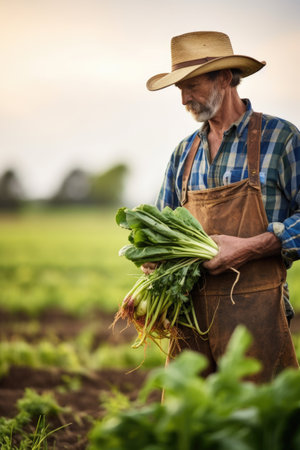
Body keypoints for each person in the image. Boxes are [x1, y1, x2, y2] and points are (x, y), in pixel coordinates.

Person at [146, 31, 300, 382]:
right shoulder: (183, 154)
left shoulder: (281, 139)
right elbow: (161, 230)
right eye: (178, 89)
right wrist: (153, 261)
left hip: (257, 318)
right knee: (189, 425)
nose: (184, 98)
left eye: (192, 85)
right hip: (190, 321)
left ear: (226, 77)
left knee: (257, 427)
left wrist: (248, 248)